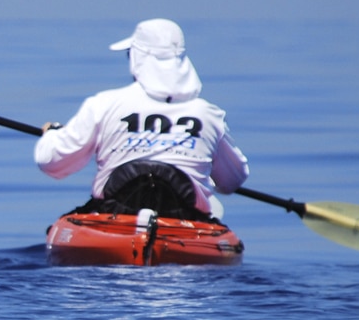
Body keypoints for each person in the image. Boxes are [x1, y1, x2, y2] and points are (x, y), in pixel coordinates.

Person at [34, 19, 248, 221]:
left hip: (115, 215)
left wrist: (51, 135)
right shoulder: (209, 115)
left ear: (138, 59)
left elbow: (52, 163)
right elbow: (232, 181)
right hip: (181, 219)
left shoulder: (104, 104)